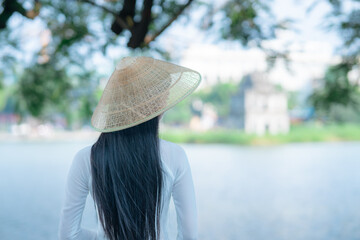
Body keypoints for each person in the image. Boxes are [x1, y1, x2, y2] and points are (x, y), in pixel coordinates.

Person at [58, 56, 201, 240]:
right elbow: (189, 235)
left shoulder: (86, 158)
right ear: (156, 106)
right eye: (162, 98)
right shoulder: (175, 155)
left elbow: (68, 235)